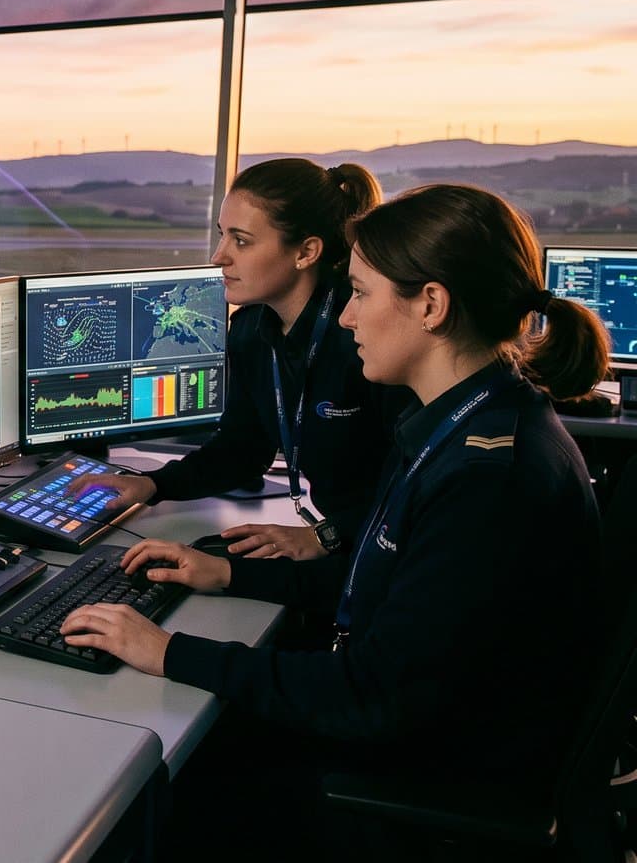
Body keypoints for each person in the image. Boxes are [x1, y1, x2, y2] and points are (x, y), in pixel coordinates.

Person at [61, 184, 606, 854]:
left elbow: (371, 692)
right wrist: (228, 574)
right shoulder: (469, 422)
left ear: (431, 305)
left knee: (151, 787)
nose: (346, 318)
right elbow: (381, 585)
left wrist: (167, 650)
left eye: (361, 293)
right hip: (424, 738)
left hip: (421, 785)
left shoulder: (488, 478)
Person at [75, 159, 394, 559]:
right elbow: (242, 451)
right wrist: (153, 485)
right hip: (341, 539)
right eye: (222, 236)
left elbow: (412, 488)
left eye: (241, 241)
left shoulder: (362, 337)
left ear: (306, 251)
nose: (218, 256)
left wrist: (325, 536)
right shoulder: (251, 329)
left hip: (382, 551)